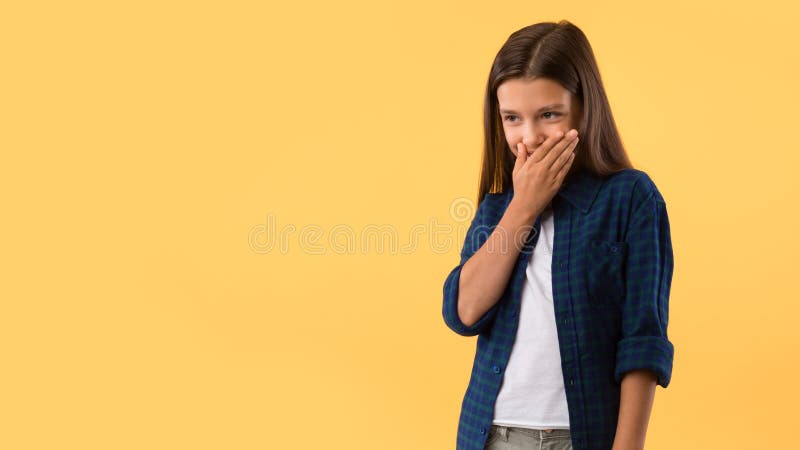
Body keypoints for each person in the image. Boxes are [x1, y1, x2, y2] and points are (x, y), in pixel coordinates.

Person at [441, 20, 675, 450]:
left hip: (582, 437)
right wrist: (524, 206)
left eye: (549, 115)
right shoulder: (499, 208)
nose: (529, 137)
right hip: (492, 435)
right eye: (513, 118)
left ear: (584, 108)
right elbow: (465, 312)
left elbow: (643, 340)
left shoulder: (631, 198)